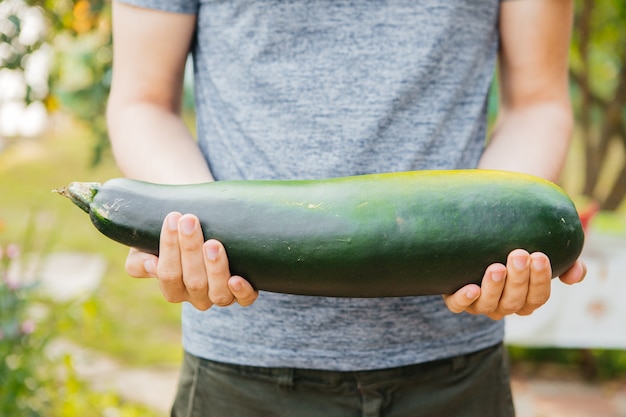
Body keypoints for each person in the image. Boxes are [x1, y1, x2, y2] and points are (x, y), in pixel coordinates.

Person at [106, 1, 587, 416]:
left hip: (457, 371)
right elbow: (143, 101)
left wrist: (503, 239)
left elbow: (537, 102)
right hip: (243, 366)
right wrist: (194, 230)